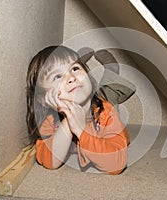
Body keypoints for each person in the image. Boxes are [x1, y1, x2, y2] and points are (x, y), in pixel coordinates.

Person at [26, 45, 134, 174]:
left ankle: (111, 69)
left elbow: (116, 165)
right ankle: (79, 61)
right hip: (83, 98)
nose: (71, 77)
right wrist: (68, 120)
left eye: (75, 68)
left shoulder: (107, 111)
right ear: (44, 99)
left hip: (99, 103)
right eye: (57, 77)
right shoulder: (50, 120)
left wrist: (82, 129)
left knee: (109, 90)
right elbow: (50, 162)